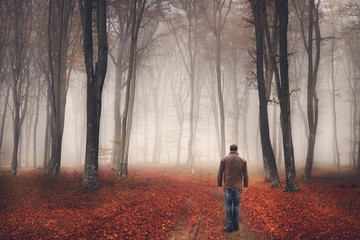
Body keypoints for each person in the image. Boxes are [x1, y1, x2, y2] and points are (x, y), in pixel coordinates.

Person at [217, 144, 248, 233]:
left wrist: (219, 184)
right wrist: (245, 186)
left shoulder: (224, 159)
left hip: (228, 186)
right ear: (237, 150)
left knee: (228, 206)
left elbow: (220, 173)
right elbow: (245, 175)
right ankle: (236, 225)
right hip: (238, 186)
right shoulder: (243, 160)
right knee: (237, 206)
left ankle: (229, 227)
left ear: (230, 149)